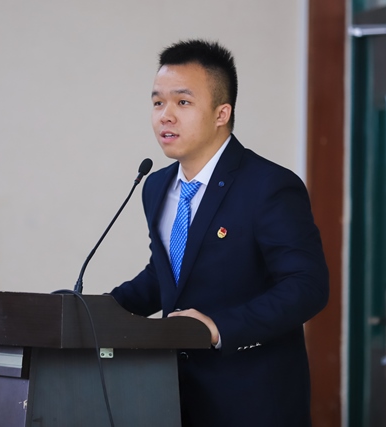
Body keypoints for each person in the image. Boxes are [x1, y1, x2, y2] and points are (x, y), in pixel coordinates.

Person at [109, 39, 329, 427]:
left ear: (221, 113)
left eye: (182, 102)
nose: (165, 116)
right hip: (173, 396)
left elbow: (306, 285)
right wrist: (93, 312)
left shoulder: (268, 186)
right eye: (158, 103)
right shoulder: (156, 186)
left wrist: (218, 327)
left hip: (251, 400)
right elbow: (167, 275)